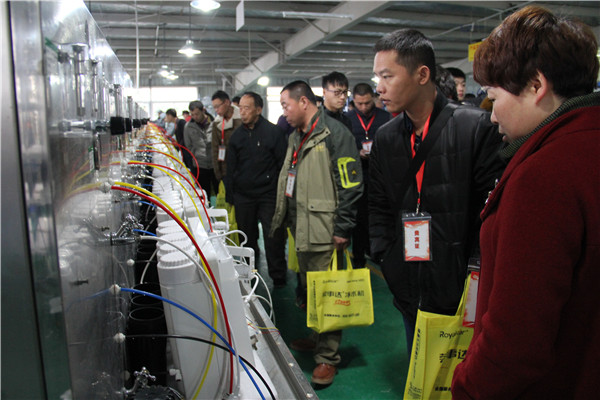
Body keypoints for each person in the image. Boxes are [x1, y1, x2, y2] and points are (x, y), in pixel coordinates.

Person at [452, 6, 600, 399]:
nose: (491, 116)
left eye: (494, 97)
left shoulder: (545, 174)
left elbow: (516, 343)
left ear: (536, 86)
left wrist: (467, 389)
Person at [369, 28, 505, 355]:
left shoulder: (476, 127)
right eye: (377, 78)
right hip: (408, 285)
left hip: (462, 289)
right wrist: (387, 258)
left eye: (387, 76)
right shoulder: (386, 138)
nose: (379, 88)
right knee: (419, 368)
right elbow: (378, 205)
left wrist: (476, 273)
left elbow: (492, 213)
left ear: (422, 74)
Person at [271, 80, 362, 385]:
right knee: (310, 290)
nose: (284, 113)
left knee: (328, 293)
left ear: (304, 102)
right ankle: (316, 336)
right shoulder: (296, 136)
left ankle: (327, 358)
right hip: (302, 226)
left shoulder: (335, 134)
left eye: (286, 106)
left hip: (325, 229)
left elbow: (350, 185)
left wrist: (343, 227)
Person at [225, 92, 288, 287]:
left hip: (269, 195)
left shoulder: (274, 133)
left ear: (258, 110)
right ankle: (249, 273)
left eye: (247, 108)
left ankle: (278, 276)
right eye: (240, 108)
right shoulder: (236, 137)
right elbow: (230, 168)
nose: (242, 112)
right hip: (244, 196)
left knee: (273, 236)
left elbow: (282, 165)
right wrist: (231, 196)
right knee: (247, 237)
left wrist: (282, 195)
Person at [345, 83, 391, 268]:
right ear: (353, 101)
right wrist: (357, 152)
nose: (363, 107)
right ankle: (359, 257)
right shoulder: (347, 120)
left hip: (379, 176)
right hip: (356, 177)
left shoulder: (385, 118)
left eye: (367, 103)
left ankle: (378, 253)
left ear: (373, 98)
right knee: (359, 220)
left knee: (378, 217)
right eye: (359, 104)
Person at [183, 101, 215, 199]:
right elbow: (188, 145)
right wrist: (197, 154)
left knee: (219, 192)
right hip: (199, 165)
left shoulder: (214, 123)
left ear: (203, 111)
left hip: (215, 164)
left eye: (197, 114)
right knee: (203, 194)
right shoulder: (188, 127)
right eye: (192, 114)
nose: (195, 117)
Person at [211, 90, 242, 184]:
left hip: (242, 169)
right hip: (226, 171)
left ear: (227, 102)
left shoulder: (242, 118)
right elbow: (215, 148)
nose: (216, 110)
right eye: (214, 107)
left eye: (218, 106)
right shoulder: (217, 123)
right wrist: (218, 173)